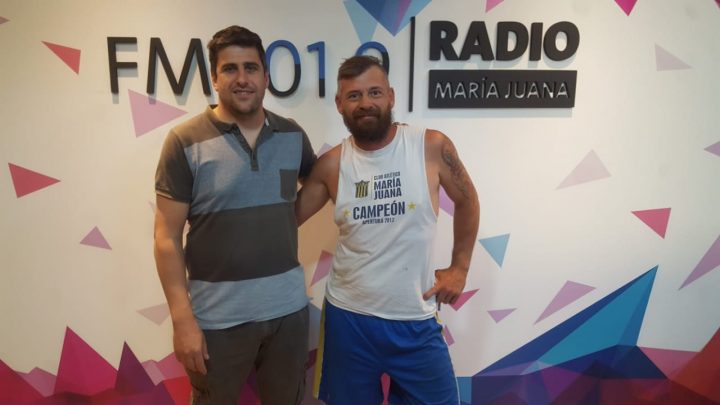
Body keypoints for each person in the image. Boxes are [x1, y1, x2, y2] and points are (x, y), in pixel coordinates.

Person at [296, 55, 480, 404]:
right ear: (339, 104)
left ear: (391, 96)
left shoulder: (430, 146)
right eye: (354, 95)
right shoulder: (331, 165)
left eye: (375, 92)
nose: (365, 103)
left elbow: (468, 200)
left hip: (415, 319)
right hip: (349, 319)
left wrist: (460, 267)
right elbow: (284, 220)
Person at [153, 25, 316, 405]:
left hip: (288, 315)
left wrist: (284, 219)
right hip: (216, 323)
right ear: (214, 78)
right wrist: (182, 320)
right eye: (230, 69)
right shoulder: (184, 141)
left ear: (266, 77)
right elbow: (166, 238)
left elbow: (319, 182)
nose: (242, 79)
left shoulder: (292, 135)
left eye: (251, 68)